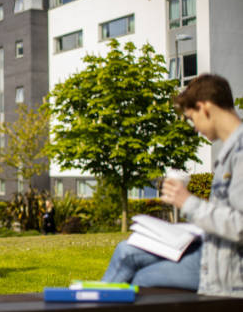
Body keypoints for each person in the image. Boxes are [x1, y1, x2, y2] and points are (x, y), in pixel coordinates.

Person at [101, 74, 243, 298]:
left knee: (141, 280)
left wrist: (187, 202)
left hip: (230, 269)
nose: (194, 128)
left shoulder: (240, 152)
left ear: (205, 108)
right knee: (126, 251)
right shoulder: (230, 150)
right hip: (212, 250)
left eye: (191, 118)